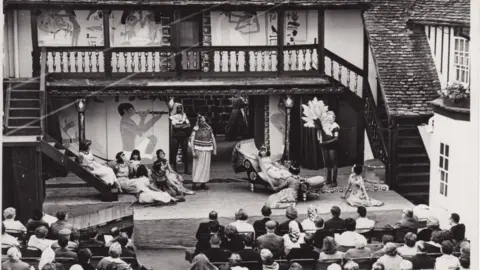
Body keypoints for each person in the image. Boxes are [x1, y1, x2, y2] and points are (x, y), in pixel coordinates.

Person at [314, 111, 340, 187]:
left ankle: (334, 181)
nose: (329, 120)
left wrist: (326, 142)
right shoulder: (326, 125)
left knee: (334, 163)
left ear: (334, 118)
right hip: (326, 146)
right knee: (328, 164)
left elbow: (336, 138)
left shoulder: (335, 126)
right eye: (328, 118)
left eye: (331, 118)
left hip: (333, 147)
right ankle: (328, 180)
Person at [191, 114, 217, 190]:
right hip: (198, 150)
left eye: (204, 121)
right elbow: (192, 141)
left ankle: (203, 183)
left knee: (205, 167)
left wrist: (215, 149)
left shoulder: (209, 129)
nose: (203, 122)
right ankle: (194, 183)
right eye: (201, 121)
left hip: (207, 150)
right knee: (197, 167)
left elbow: (213, 139)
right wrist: (193, 152)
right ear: (198, 122)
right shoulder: (195, 129)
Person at [169, 100, 192, 175]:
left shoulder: (184, 115)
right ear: (176, 109)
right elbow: (175, 126)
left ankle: (186, 169)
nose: (179, 109)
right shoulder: (172, 116)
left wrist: (180, 126)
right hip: (175, 137)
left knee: (185, 152)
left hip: (184, 136)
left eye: (180, 108)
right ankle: (175, 169)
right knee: (174, 152)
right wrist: (183, 125)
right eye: (178, 108)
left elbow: (189, 125)